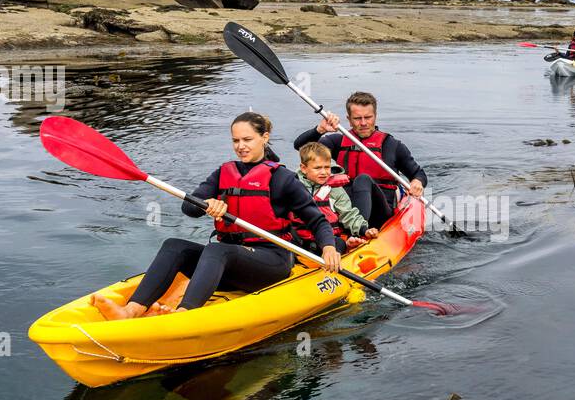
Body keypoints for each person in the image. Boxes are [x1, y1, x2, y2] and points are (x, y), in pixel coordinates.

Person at [89, 112, 339, 321]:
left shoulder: (282, 179)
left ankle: (185, 315)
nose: (241, 146)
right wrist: (206, 204)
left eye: (247, 139)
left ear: (265, 138)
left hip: (271, 262)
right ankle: (131, 310)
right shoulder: (223, 173)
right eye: (236, 140)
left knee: (218, 250)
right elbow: (189, 209)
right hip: (229, 265)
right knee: (174, 245)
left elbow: (316, 219)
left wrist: (328, 247)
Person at [294, 91, 427, 230]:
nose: (363, 123)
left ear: (375, 116)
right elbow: (301, 147)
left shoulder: (392, 145)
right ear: (349, 119)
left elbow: (418, 174)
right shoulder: (337, 142)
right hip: (344, 209)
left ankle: (358, 231)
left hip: (380, 211)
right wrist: (320, 130)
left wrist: (417, 182)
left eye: (368, 117)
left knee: (363, 179)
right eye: (357, 118)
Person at [294, 141, 378, 252]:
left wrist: (364, 230)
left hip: (328, 239)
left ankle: (346, 246)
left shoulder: (335, 189)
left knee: (337, 243)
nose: (324, 172)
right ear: (304, 168)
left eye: (327, 167)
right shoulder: (293, 186)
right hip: (300, 239)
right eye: (318, 168)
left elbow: (348, 214)